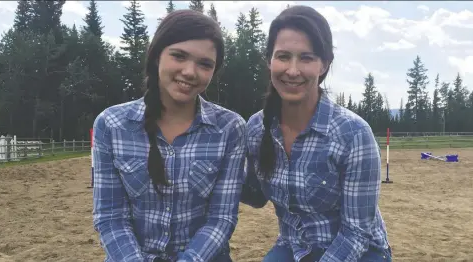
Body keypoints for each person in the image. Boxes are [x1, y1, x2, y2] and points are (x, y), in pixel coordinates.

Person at [240, 5, 392, 262]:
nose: (293, 70)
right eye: (283, 56)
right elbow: (256, 196)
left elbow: (356, 232)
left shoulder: (353, 134)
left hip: (359, 252)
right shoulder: (256, 128)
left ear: (324, 65)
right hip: (294, 247)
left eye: (306, 58)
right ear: (269, 60)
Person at [92, 10, 246, 262]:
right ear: (156, 56)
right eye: (179, 56)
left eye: (205, 64)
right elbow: (110, 217)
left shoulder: (229, 128)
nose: (189, 72)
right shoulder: (111, 125)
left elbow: (221, 219)